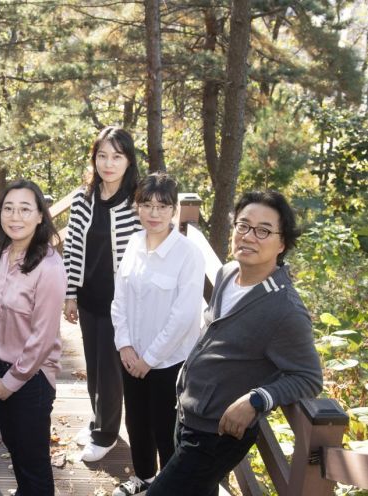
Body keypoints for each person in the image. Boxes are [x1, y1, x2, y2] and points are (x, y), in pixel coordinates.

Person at [146, 191, 323, 496]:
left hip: (218, 435)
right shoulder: (228, 273)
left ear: (282, 244)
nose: (249, 236)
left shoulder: (285, 309)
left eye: (263, 230)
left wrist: (258, 399)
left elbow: (309, 378)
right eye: (243, 225)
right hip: (189, 414)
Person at [109, 174, 205, 495]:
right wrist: (124, 345)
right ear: (137, 207)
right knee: (136, 422)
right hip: (131, 355)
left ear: (174, 210)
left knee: (167, 429)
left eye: (162, 207)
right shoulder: (135, 242)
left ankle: (169, 487)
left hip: (168, 362)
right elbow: (119, 296)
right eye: (147, 205)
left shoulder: (188, 254)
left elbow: (184, 316)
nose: (154, 213)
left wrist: (149, 359)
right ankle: (144, 478)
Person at [0, 179, 66, 496]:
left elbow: (42, 338)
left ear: (40, 216)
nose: (16, 216)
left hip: (31, 378)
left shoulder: (50, 267)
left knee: (33, 461)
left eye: (25, 209)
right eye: (9, 208)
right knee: (15, 446)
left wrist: (9, 383)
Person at [62, 126, 142, 462]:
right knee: (93, 365)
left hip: (120, 303)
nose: (108, 164)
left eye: (117, 156)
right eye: (102, 156)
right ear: (94, 159)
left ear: (128, 161)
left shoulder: (138, 201)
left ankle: (107, 434)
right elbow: (72, 250)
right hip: (89, 297)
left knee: (111, 369)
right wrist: (69, 294)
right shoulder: (83, 198)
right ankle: (98, 420)